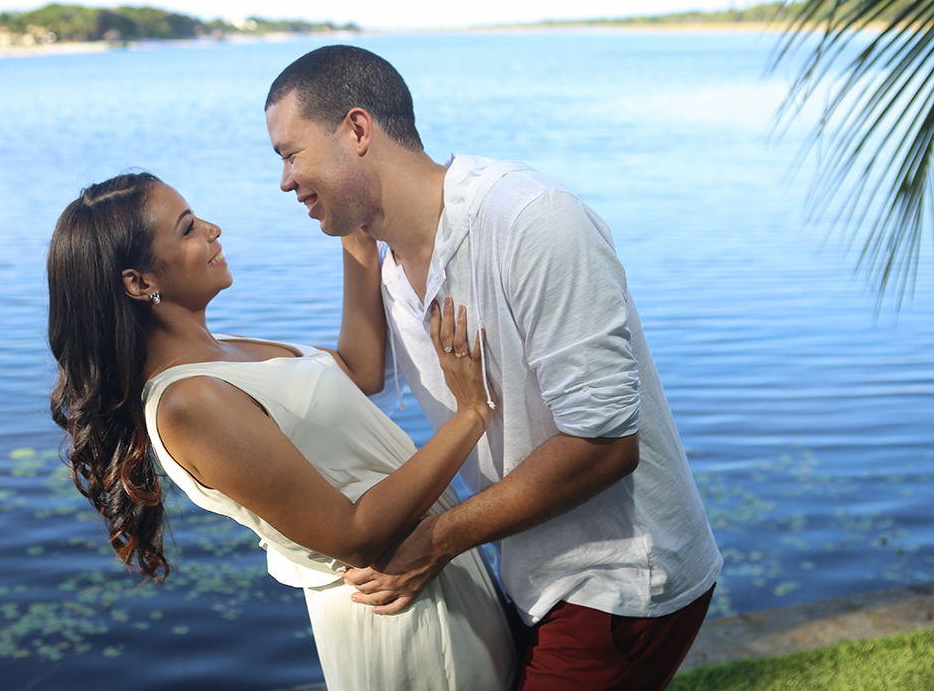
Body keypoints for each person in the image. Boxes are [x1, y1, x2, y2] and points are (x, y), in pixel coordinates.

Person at [265, 45, 723, 691]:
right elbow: (364, 371)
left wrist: (435, 540)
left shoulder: (530, 221)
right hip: (529, 572)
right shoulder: (388, 254)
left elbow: (606, 447)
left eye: (290, 154)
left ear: (357, 130)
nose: (284, 181)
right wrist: (353, 224)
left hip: (619, 580)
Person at [46, 172, 516, 691]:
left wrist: (354, 237)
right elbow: (355, 535)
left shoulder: (223, 348)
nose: (213, 229)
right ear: (139, 283)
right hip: (403, 615)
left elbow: (359, 369)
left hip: (438, 579)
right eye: (187, 229)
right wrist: (471, 412)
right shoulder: (188, 401)